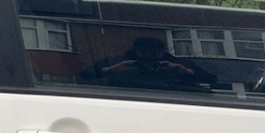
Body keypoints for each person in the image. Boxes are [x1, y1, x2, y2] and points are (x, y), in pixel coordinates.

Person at [82, 36, 216, 91]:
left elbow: (212, 79)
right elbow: (84, 75)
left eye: (153, 53)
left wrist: (184, 71)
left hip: (173, 101)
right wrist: (112, 69)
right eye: (143, 52)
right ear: (135, 51)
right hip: (123, 100)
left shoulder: (176, 62)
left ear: (162, 52)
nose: (147, 57)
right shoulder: (120, 61)